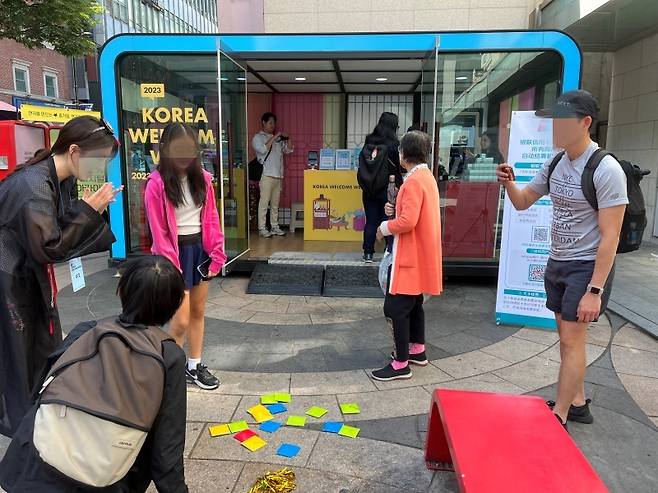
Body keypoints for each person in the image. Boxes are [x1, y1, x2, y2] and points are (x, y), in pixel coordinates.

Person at [495, 90, 628, 430]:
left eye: (563, 120)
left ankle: (561, 415)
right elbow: (524, 201)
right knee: (567, 340)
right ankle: (579, 403)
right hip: (557, 261)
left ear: (585, 123)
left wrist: (595, 291)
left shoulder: (606, 169)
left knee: (572, 342)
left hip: (585, 268)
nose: (555, 126)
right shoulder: (555, 161)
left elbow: (611, 237)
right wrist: (509, 183)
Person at [0, 255, 189, 492]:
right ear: (173, 306)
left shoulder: (86, 331)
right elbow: (167, 449)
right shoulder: (168, 355)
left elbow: (41, 391)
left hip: (35, 468)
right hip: (105, 479)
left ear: (121, 291)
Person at [0, 116, 120, 438]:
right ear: (76, 151)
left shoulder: (56, 178)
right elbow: (50, 246)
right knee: (22, 358)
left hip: (23, 277)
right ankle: (27, 435)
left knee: (38, 352)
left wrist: (91, 209)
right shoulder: (34, 185)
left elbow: (62, 229)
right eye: (99, 160)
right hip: (11, 283)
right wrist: (90, 210)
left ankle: (35, 424)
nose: (99, 169)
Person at [144, 122, 226, 391]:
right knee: (179, 319)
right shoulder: (156, 184)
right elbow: (158, 232)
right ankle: (171, 369)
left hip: (198, 250)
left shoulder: (203, 179)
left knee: (198, 312)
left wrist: (217, 254)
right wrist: (172, 266)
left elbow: (211, 218)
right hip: (172, 254)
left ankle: (194, 365)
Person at [372, 131, 442, 381]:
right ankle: (417, 349)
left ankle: (400, 363)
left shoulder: (413, 181)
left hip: (408, 256)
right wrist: (394, 209)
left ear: (404, 154)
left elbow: (408, 221)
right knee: (413, 305)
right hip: (421, 254)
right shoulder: (426, 177)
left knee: (395, 307)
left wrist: (383, 227)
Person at [360, 112, 403, 263]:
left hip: (369, 189)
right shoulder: (393, 145)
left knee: (371, 221)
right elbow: (398, 169)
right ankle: (389, 250)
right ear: (393, 127)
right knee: (388, 220)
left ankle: (368, 253)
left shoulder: (369, 141)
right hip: (388, 190)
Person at [252, 112, 294, 238]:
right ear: (263, 122)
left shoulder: (277, 139)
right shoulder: (258, 137)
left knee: (275, 204)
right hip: (265, 175)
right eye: (270, 123)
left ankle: (275, 226)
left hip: (278, 175)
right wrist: (275, 136)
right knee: (264, 203)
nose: (272, 125)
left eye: (274, 123)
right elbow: (263, 149)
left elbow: (289, 150)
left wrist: (288, 138)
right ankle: (262, 228)